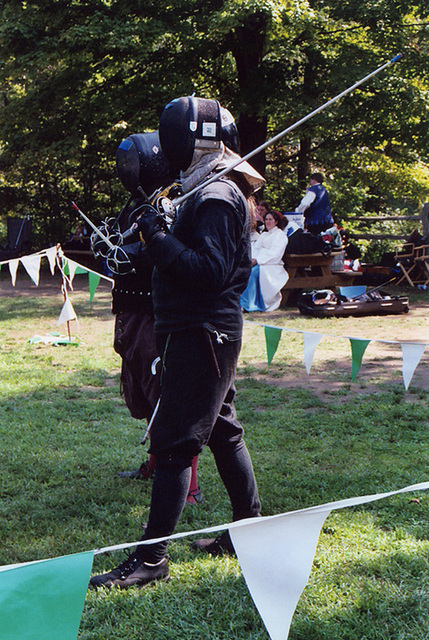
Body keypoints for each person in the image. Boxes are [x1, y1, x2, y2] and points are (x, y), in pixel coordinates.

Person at [90, 97, 263, 590]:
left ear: (189, 139)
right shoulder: (201, 190)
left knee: (172, 444)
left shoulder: (216, 196)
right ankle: (245, 529)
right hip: (200, 331)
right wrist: (152, 235)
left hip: (201, 333)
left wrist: (158, 237)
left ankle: (151, 561)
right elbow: (189, 259)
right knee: (224, 431)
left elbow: (207, 273)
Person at [92, 131, 203, 504]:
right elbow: (127, 242)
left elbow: (167, 245)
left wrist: (134, 252)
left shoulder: (174, 196)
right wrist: (110, 245)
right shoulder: (139, 200)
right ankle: (156, 461)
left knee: (166, 397)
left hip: (156, 310)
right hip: (130, 308)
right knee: (141, 391)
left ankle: (188, 485)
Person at [241, 209, 288, 312]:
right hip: (260, 262)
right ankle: (242, 303)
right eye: (266, 219)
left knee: (253, 273)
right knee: (244, 271)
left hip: (272, 265)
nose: (268, 222)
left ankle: (248, 305)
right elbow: (256, 249)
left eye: (270, 219)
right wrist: (251, 259)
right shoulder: (264, 235)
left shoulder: (280, 235)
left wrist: (258, 260)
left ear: (276, 222)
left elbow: (276, 254)